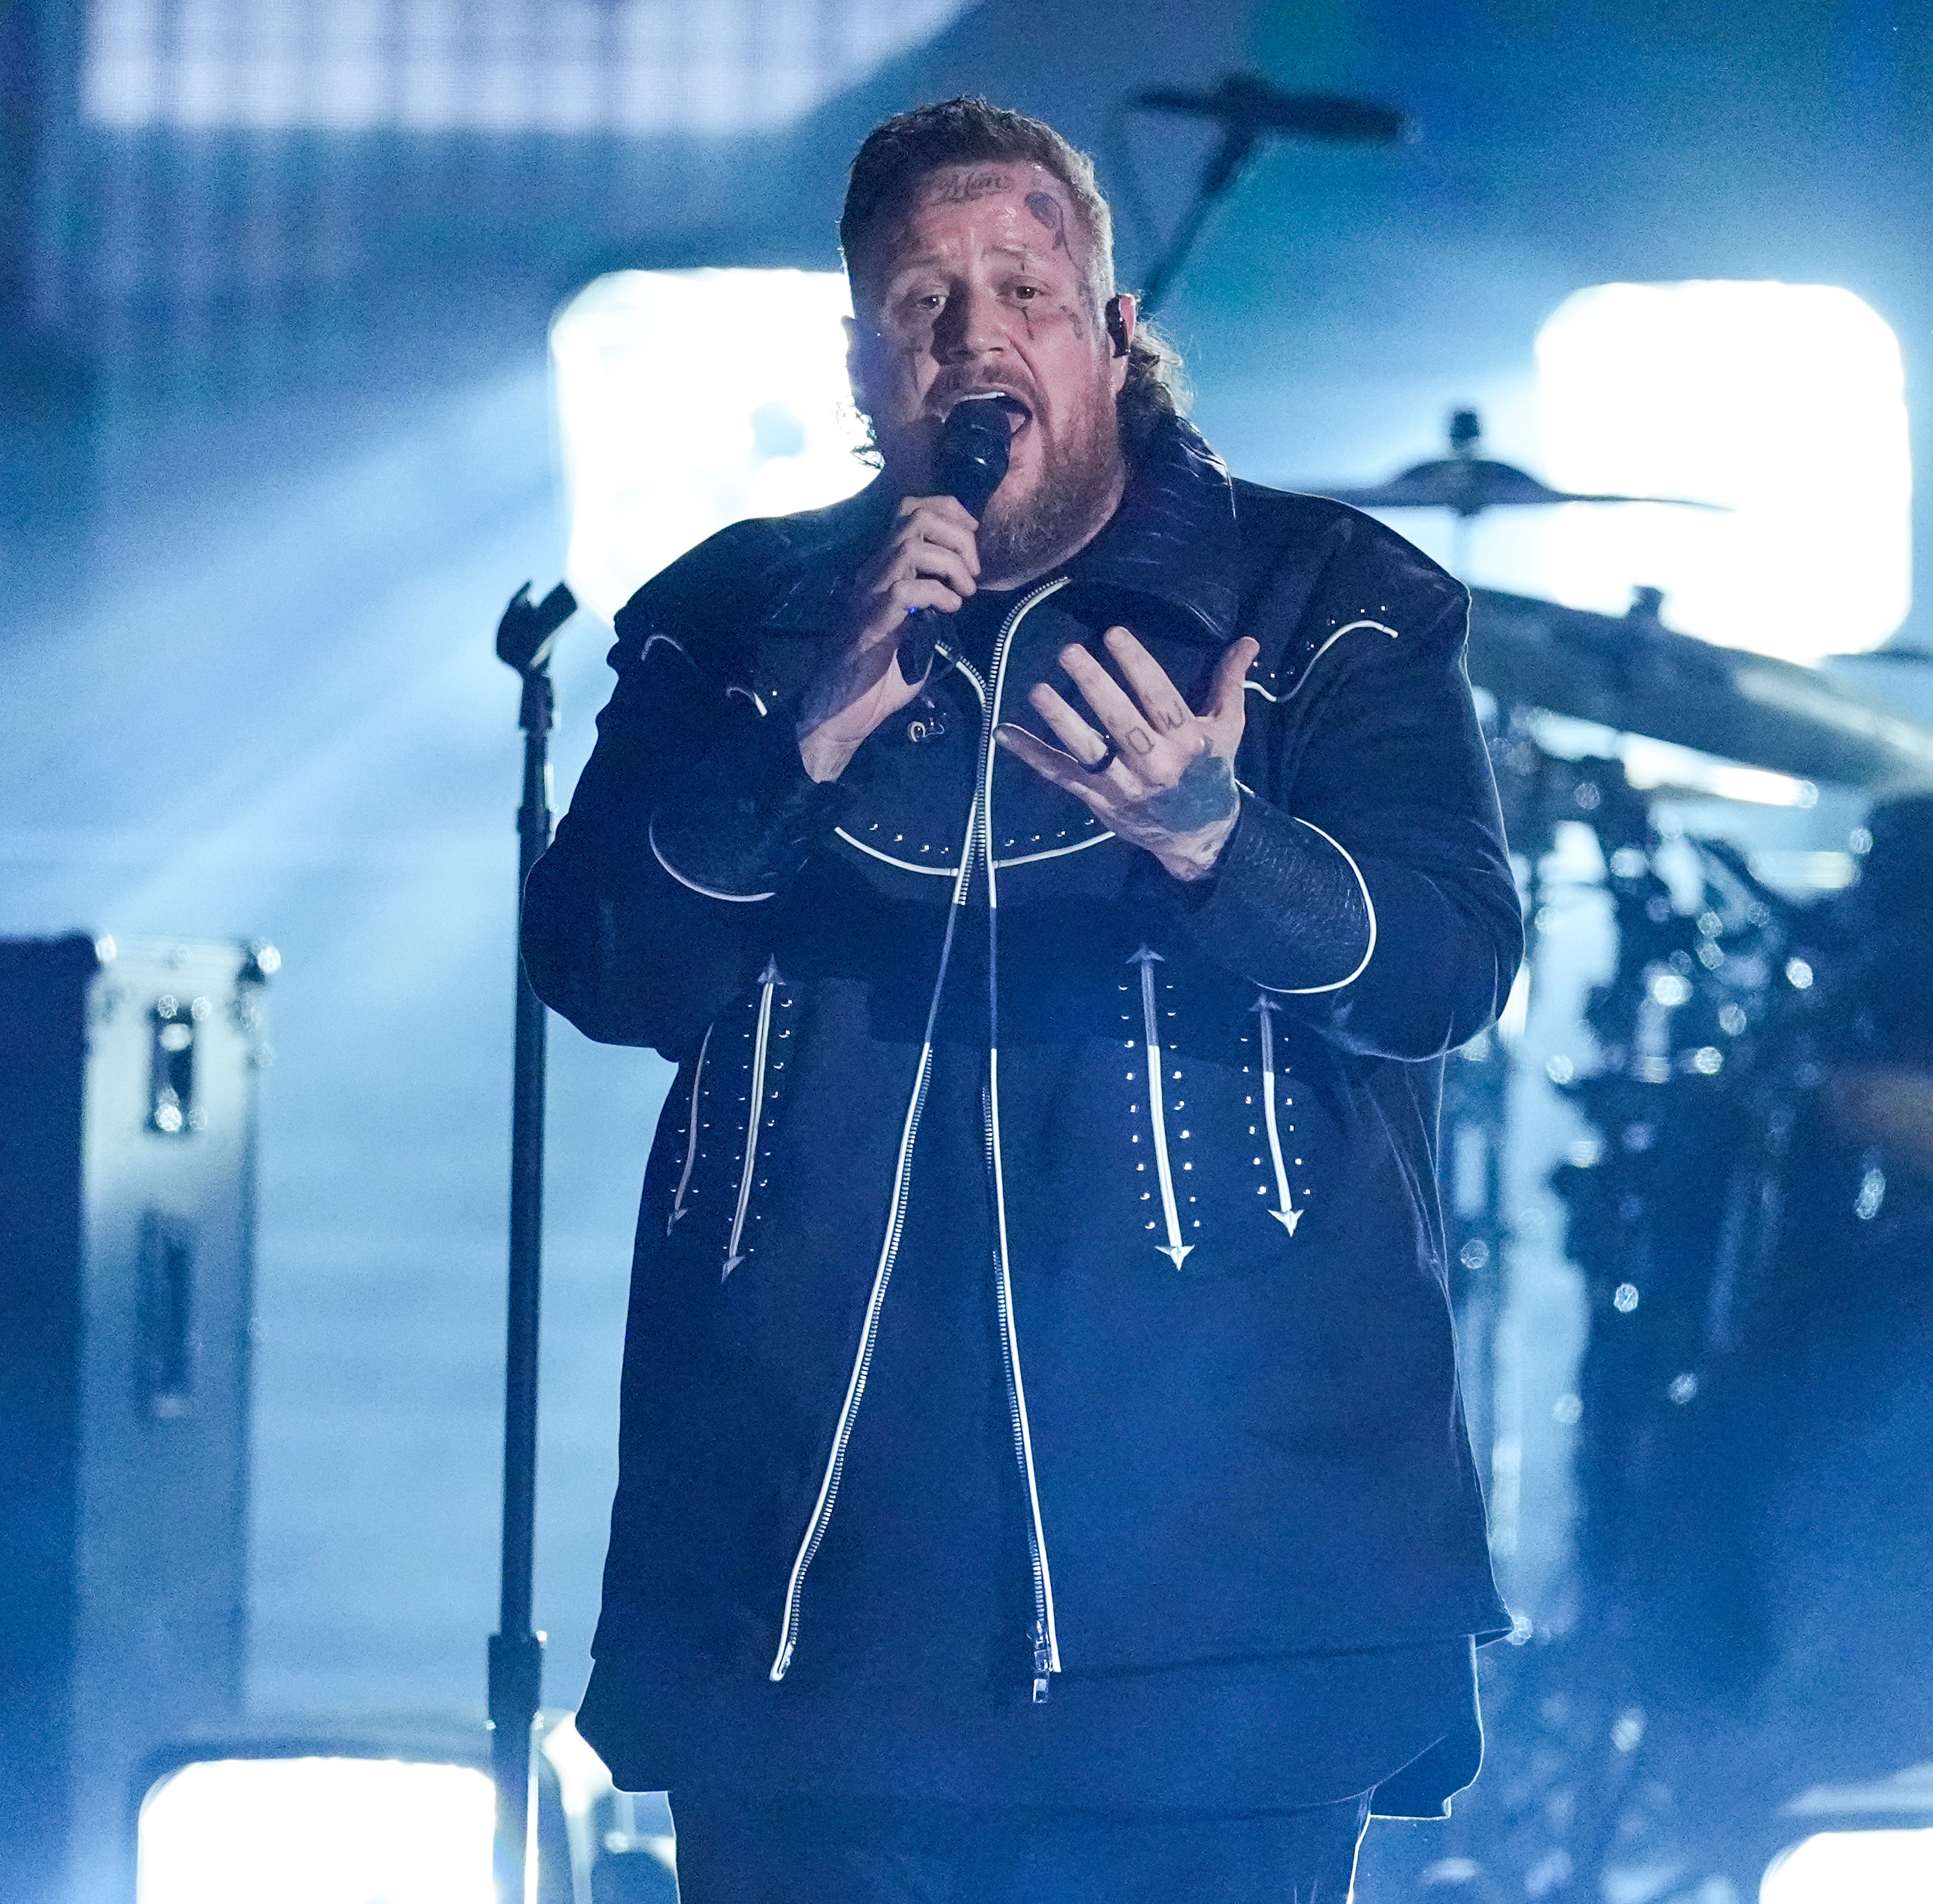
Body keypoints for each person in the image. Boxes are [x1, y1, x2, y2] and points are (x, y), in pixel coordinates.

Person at [521, 95, 1521, 1904]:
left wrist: (1220, 839)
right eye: (920, 303)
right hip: (808, 1602)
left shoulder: (1324, 601)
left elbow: (1448, 962)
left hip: (1223, 1600)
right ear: (859, 365)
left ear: (1114, 336)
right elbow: (600, 962)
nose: (974, 339)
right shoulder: (734, 619)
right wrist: (804, 731)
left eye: (1024, 291)